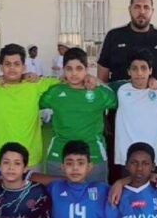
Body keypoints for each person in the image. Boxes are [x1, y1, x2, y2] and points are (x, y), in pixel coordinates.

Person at [39, 46, 117, 181]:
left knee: (96, 193)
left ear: (87, 69)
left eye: (79, 68)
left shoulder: (100, 93)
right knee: (57, 193)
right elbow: (35, 100)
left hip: (93, 155)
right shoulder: (54, 92)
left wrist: (98, 82)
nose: (74, 73)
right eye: (69, 69)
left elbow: (116, 100)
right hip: (59, 154)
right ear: (63, 70)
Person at [0, 43, 60, 169]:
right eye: (7, 64)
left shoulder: (35, 84)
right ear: (1, 67)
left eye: (17, 64)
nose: (12, 68)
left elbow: (66, 80)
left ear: (24, 67)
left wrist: (90, 79)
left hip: (30, 158)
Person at [97, 0, 157, 88]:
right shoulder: (113, 36)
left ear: (152, 11)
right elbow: (102, 79)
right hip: (119, 97)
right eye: (137, 7)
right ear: (130, 9)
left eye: (146, 7)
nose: (142, 12)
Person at [114, 49, 157, 172]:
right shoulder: (120, 90)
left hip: (154, 156)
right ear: (128, 71)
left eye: (144, 68)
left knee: (154, 185)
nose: (139, 73)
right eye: (134, 69)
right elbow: (100, 85)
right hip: (127, 156)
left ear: (150, 70)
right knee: (128, 185)